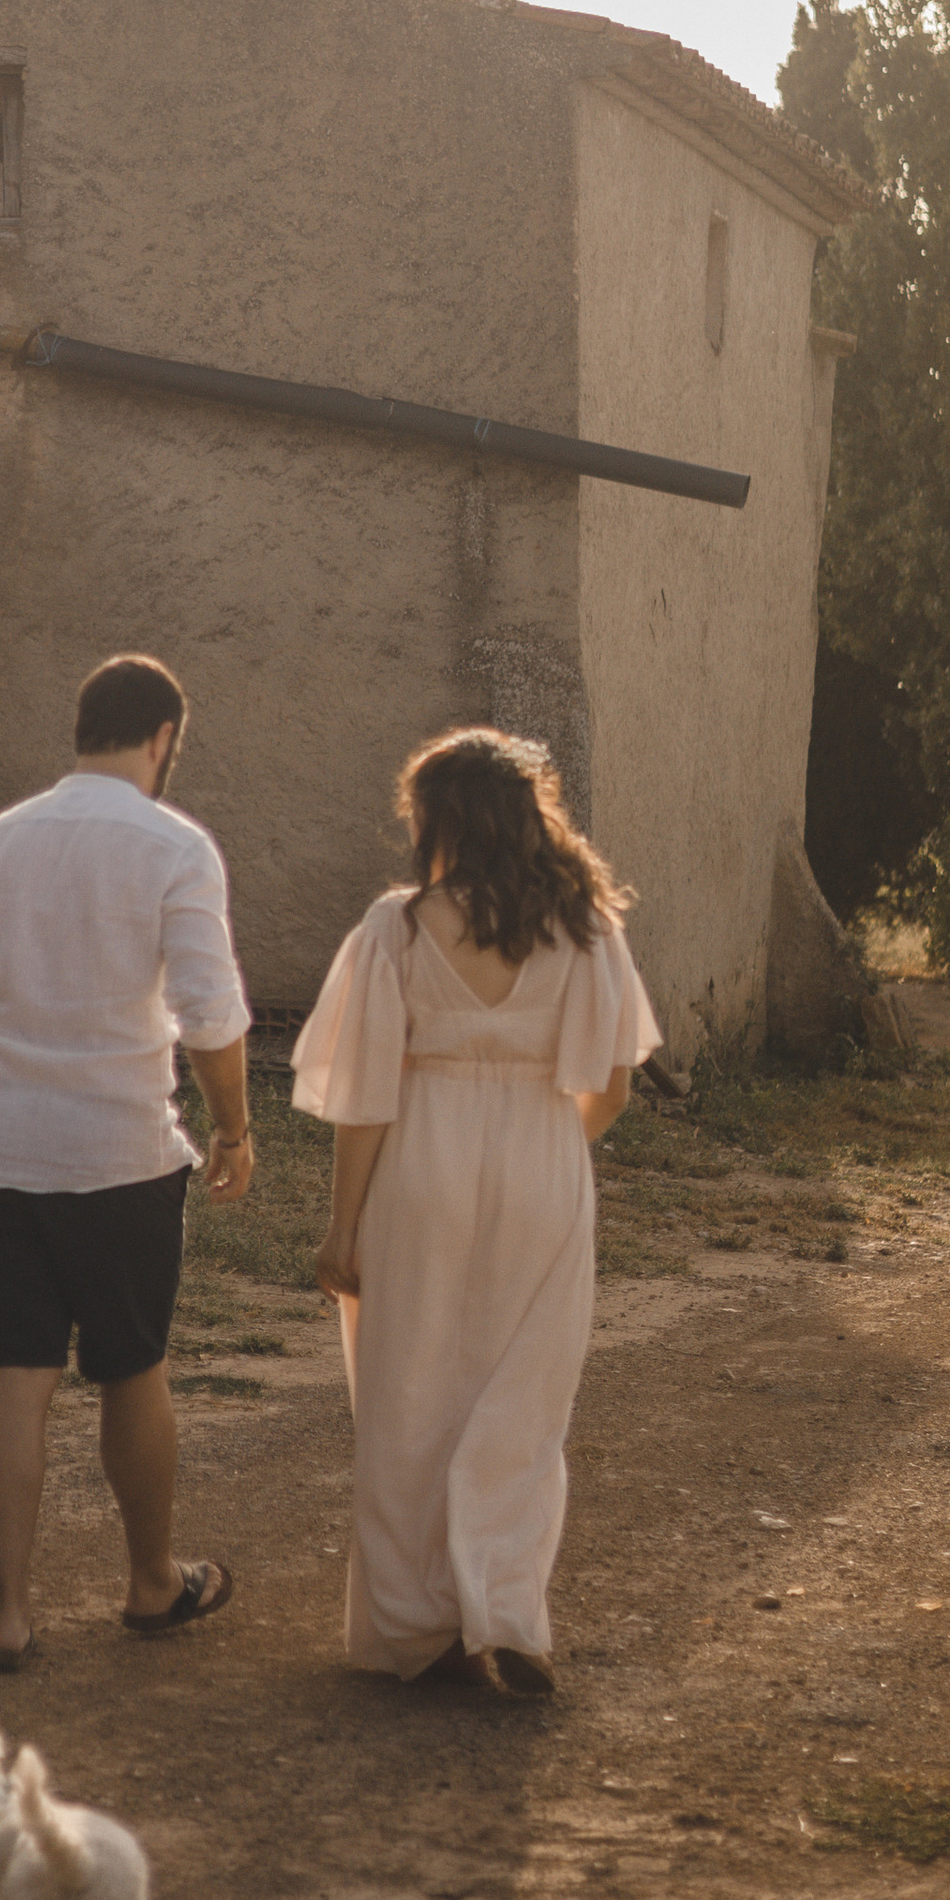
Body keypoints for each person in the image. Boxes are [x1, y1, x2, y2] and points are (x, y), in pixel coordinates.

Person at [292, 726, 658, 1698]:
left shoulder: (397, 930)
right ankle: (503, 1609)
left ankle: (418, 1628)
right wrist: (549, 1158)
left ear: (440, 820)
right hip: (543, 1163)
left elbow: (363, 1096)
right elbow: (613, 1085)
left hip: (422, 1167)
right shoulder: (586, 929)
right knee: (524, 1405)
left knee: (408, 1396)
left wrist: (341, 1227)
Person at [0, 652, 255, 1675]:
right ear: (162, 740)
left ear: (83, 730)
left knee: (15, 1372)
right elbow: (210, 1014)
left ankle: (8, 1614)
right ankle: (152, 1583)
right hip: (120, 1155)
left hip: (5, 1157)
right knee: (130, 1367)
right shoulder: (173, 848)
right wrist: (233, 1128)